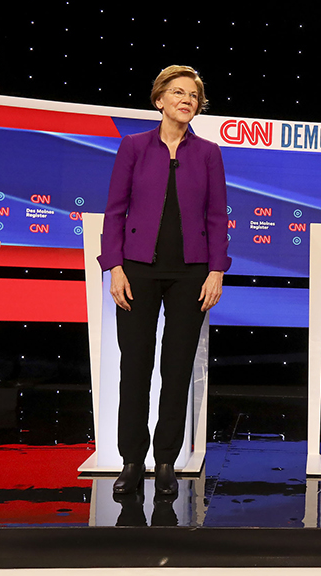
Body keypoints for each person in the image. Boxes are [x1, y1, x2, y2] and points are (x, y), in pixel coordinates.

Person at [98, 65, 230, 500]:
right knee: (134, 368)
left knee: (176, 371)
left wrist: (216, 270)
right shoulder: (133, 147)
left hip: (191, 273)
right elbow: (115, 210)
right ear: (159, 100)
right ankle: (132, 461)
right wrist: (114, 266)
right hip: (137, 270)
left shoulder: (209, 153)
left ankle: (167, 461)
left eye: (193, 95)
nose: (187, 100)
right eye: (178, 93)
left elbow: (216, 215)